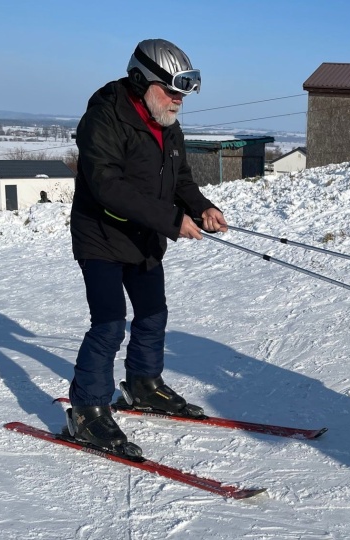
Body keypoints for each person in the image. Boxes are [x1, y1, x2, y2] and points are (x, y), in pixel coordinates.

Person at [68, 38, 228, 456]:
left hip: (144, 238)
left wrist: (202, 206)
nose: (177, 101)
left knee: (154, 314)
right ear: (141, 81)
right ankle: (87, 409)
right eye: (171, 91)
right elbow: (108, 187)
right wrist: (173, 220)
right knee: (108, 324)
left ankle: (144, 384)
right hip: (101, 236)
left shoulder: (167, 123)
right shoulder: (104, 118)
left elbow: (180, 180)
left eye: (182, 94)